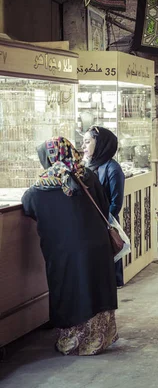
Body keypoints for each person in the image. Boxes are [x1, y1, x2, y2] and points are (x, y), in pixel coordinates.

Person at [22, 137, 118, 356]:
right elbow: (104, 206)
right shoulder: (87, 176)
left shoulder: (39, 189)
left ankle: (71, 341)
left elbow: (28, 207)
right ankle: (95, 340)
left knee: (68, 290)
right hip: (97, 246)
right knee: (95, 288)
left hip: (62, 252)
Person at [82, 126, 125, 288]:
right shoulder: (88, 165)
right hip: (91, 220)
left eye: (87, 142)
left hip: (106, 220)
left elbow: (116, 201)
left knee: (110, 253)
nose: (83, 147)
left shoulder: (113, 169)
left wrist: (105, 221)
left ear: (100, 143)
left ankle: (113, 285)